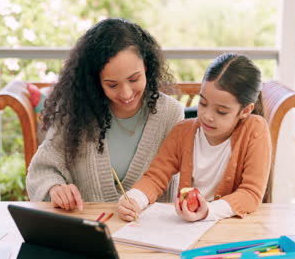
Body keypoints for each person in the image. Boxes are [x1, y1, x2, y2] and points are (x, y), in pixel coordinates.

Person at [26, 18, 184, 211]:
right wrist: (55, 188)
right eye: (112, 84)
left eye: (134, 79)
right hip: (87, 230)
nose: (126, 94)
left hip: (150, 234)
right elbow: (42, 171)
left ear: (147, 68)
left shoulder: (171, 114)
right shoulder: (75, 112)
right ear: (95, 81)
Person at [117, 53, 272, 222]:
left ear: (245, 110)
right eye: (203, 103)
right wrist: (134, 199)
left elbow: (251, 194)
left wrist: (209, 211)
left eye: (221, 111)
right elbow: (155, 177)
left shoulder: (255, 130)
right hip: (187, 228)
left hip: (230, 226)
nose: (207, 116)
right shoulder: (182, 132)